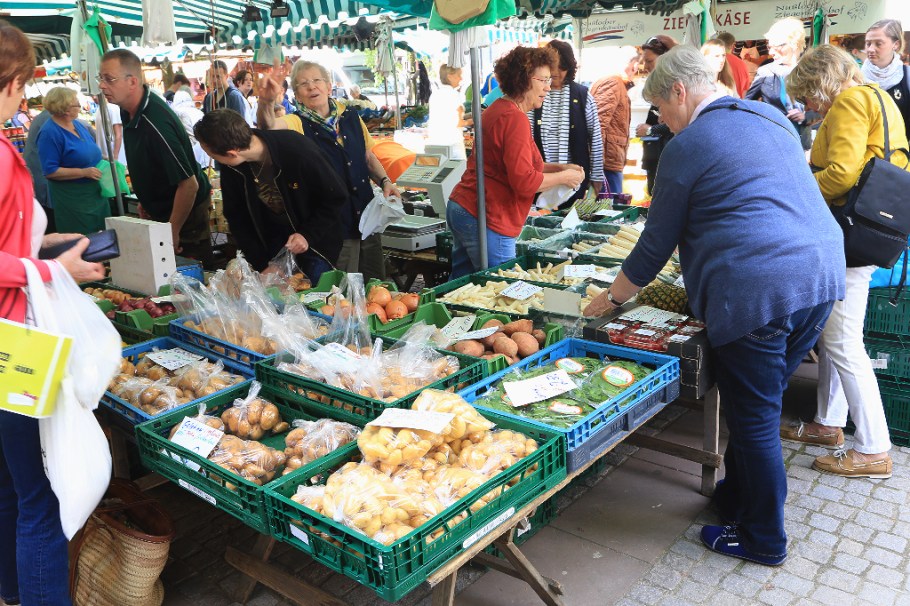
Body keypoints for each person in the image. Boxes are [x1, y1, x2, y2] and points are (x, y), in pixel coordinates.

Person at [583, 46, 844, 566]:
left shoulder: (689, 144)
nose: (663, 120)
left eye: (662, 108)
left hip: (759, 289)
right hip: (819, 279)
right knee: (760, 403)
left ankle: (764, 539)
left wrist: (609, 299)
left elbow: (655, 244)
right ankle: (735, 497)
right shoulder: (769, 116)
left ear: (680, 91)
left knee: (755, 419)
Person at [0, 21, 106, 606]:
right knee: (42, 500)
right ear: (13, 82)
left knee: (9, 486)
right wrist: (52, 271)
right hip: (14, 345)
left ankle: (12, 592)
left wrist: (40, 243)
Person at [783, 44, 899, 478]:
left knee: (845, 342)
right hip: (870, 230)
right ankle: (828, 424)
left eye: (808, 94)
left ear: (821, 81)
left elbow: (841, 175)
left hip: (849, 234)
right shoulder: (879, 97)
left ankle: (873, 447)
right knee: (835, 334)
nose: (810, 105)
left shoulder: (849, 101)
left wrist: (794, 183)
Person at [446, 46, 584, 278]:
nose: (548, 87)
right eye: (543, 80)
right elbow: (524, 181)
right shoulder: (514, 119)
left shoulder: (499, 109)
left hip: (465, 207)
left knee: (461, 286)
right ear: (523, 80)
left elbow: (511, 166)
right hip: (489, 214)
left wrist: (559, 168)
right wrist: (565, 177)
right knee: (502, 286)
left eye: (549, 80)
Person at [256, 59, 399, 281]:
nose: (311, 87)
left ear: (329, 86)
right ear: (297, 95)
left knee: (376, 285)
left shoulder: (350, 116)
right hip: (333, 226)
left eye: (317, 80)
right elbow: (268, 127)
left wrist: (385, 181)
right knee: (342, 290)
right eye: (303, 84)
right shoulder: (296, 123)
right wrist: (265, 101)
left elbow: (367, 157)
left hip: (367, 218)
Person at [194, 109, 345, 281]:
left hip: (316, 244)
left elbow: (336, 197)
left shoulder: (297, 150)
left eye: (211, 155)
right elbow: (236, 217)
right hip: (271, 246)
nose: (214, 160)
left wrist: (307, 234)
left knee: (314, 293)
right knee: (275, 294)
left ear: (232, 153)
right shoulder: (232, 168)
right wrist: (260, 263)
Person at [98, 49, 213, 264]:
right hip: (163, 209)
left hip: (185, 215)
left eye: (109, 79)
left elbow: (189, 185)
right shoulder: (128, 109)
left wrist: (173, 230)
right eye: (101, 78)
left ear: (132, 82)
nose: (102, 85)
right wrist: (147, 199)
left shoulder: (156, 123)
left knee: (189, 274)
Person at [529, 40, 604, 206]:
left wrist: (597, 176)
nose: (556, 72)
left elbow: (596, 138)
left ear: (570, 67)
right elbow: (528, 136)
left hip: (575, 182)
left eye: (561, 67)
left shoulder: (583, 95)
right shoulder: (535, 94)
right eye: (552, 67)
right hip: (542, 180)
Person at [36, 86, 109, 235]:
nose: (80, 107)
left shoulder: (77, 124)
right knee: (82, 238)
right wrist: (83, 172)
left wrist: (103, 159)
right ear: (65, 109)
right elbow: (50, 171)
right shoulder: (49, 133)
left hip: (95, 193)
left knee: (103, 235)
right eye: (76, 104)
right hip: (74, 199)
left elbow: (86, 150)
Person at [744, 17, 810, 149]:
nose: (771, 52)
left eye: (777, 47)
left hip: (800, 142)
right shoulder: (765, 72)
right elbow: (747, 105)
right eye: (769, 47)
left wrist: (805, 116)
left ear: (793, 44)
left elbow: (822, 108)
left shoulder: (808, 71)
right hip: (773, 141)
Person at [634, 35, 677, 195]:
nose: (645, 66)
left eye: (649, 61)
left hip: (668, 159)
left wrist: (651, 130)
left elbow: (676, 123)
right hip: (655, 158)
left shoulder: (674, 87)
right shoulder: (659, 85)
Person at [590, 53, 637, 195]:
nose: (637, 69)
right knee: (608, 205)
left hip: (609, 161)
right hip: (607, 163)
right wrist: (596, 167)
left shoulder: (616, 83)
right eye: (637, 64)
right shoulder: (613, 82)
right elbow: (598, 124)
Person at [862, 19, 910, 142]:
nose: (870, 49)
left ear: (896, 44)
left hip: (899, 150)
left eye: (878, 44)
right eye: (868, 43)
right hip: (864, 150)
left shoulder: (906, 76)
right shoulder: (856, 77)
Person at [428, 64, 473, 160]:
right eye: (459, 75)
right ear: (450, 77)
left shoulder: (435, 95)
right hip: (452, 143)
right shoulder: (453, 95)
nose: (461, 78)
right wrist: (472, 121)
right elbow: (458, 123)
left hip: (435, 143)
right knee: (459, 169)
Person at [23, 108, 54, 230]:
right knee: (48, 212)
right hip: (41, 171)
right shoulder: (49, 119)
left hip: (40, 170)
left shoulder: (46, 116)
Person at [171, 90, 210, 168]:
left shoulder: (179, 114)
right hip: (207, 152)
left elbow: (190, 138)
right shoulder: (199, 112)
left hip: (192, 156)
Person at [93, 97, 127, 168]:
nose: (94, 97)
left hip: (114, 158)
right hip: (104, 157)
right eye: (92, 95)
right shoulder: (99, 109)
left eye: (96, 94)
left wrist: (115, 157)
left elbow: (118, 134)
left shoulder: (113, 108)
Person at [715, 32, 751, 97]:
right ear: (732, 46)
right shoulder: (741, 63)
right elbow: (745, 90)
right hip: (737, 101)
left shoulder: (712, 61)